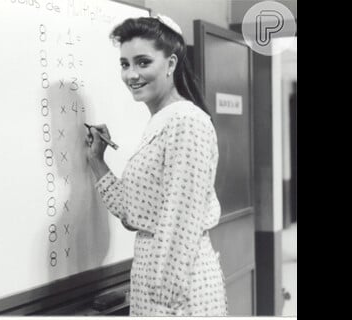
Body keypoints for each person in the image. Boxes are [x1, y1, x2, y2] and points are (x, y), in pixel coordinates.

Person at [84, 14, 227, 316]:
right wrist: (97, 161)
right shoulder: (160, 122)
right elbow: (133, 211)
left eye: (143, 62)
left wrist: (166, 297)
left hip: (180, 289)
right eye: (125, 64)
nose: (131, 74)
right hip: (153, 277)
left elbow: (182, 220)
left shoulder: (186, 122)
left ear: (171, 64)